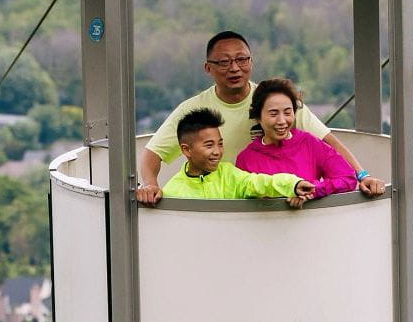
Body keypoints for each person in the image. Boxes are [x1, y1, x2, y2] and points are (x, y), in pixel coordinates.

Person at [135, 31, 360, 204]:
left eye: (242, 59)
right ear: (208, 68)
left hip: (271, 201)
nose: (235, 68)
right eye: (224, 62)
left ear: (251, 62)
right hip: (225, 205)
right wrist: (151, 185)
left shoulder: (272, 100)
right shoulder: (193, 109)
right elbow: (152, 154)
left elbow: (329, 143)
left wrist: (362, 175)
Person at [236, 78, 386, 199]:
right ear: (258, 117)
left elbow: (347, 178)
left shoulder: (309, 143)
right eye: (273, 114)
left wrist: (312, 190)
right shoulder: (246, 158)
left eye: (288, 113)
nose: (282, 121)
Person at [145, 109, 312, 206]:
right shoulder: (172, 192)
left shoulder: (230, 174)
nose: (217, 151)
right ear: (186, 150)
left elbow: (259, 183)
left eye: (220, 144)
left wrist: (293, 184)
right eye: (209, 145)